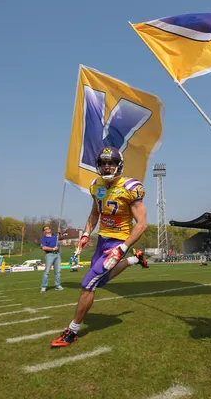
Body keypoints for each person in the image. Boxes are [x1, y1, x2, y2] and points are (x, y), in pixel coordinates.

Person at [50, 147, 148, 348]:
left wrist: (123, 248)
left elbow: (142, 224)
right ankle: (135, 260)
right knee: (100, 282)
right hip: (102, 240)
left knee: (88, 284)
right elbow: (95, 214)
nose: (106, 166)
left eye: (110, 162)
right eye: (103, 163)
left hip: (118, 243)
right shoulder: (96, 186)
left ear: (118, 165)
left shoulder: (130, 187)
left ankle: (72, 331)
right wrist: (86, 234)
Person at [40, 225, 64, 293]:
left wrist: (60, 232)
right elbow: (44, 248)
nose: (48, 229)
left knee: (58, 271)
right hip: (49, 255)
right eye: (46, 229)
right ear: (44, 231)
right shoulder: (43, 239)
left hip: (57, 254)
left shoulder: (55, 235)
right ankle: (44, 287)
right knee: (47, 272)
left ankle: (57, 285)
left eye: (49, 228)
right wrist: (52, 248)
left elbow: (61, 238)